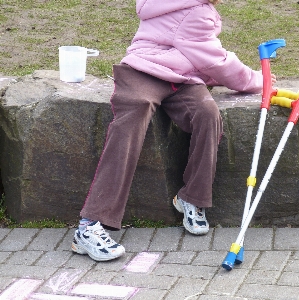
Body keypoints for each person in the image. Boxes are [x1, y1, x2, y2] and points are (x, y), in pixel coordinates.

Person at [71, 0, 277, 261]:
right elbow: (217, 61)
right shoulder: (197, 12)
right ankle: (89, 226)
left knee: (207, 114)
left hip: (182, 77)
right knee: (131, 119)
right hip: (142, 71)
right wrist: (260, 81)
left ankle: (192, 197)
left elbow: (197, 54)